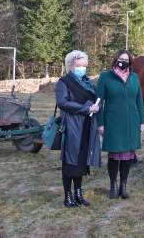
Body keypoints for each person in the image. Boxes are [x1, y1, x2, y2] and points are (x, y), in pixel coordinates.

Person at [97, 50, 144, 199]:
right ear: (115, 60)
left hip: (132, 121)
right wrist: (100, 123)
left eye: (126, 59)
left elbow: (139, 101)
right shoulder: (106, 77)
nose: (122, 61)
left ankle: (123, 186)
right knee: (115, 155)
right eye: (120, 58)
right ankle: (113, 184)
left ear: (130, 62)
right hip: (113, 121)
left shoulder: (134, 77)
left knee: (127, 156)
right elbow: (99, 102)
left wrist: (142, 121)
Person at [55, 50, 101, 208]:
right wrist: (86, 109)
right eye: (79, 65)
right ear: (71, 66)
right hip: (72, 127)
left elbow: (96, 101)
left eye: (84, 65)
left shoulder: (88, 83)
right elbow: (63, 102)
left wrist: (97, 106)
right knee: (70, 161)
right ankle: (68, 195)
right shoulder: (63, 82)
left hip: (87, 127)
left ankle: (79, 193)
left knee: (82, 161)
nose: (82, 68)